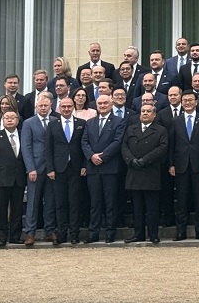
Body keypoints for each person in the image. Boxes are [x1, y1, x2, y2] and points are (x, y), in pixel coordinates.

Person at [81, 94, 126, 243]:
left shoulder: (119, 121)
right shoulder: (90, 122)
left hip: (110, 167)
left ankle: (110, 233)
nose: (102, 106)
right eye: (100, 103)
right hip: (93, 168)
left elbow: (117, 142)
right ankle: (93, 233)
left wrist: (103, 156)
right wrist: (91, 156)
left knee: (110, 202)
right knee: (95, 203)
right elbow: (84, 142)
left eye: (105, 103)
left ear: (111, 104)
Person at [122, 103, 169, 243]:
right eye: (143, 111)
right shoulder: (131, 129)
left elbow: (162, 148)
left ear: (154, 115)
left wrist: (144, 160)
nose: (145, 113)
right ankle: (138, 234)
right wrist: (131, 160)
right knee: (137, 207)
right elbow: (124, 146)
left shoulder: (161, 130)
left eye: (148, 111)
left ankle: (153, 234)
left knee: (152, 207)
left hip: (150, 172)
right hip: (134, 172)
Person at [169, 89, 199, 241]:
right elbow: (172, 145)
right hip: (181, 166)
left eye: (190, 100)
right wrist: (171, 164)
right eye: (185, 100)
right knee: (182, 201)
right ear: (181, 103)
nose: (187, 103)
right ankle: (181, 231)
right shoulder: (175, 121)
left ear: (196, 102)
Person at [45, 96, 87, 245]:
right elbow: (48, 148)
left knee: (74, 202)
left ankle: (74, 234)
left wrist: (84, 165)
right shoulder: (52, 125)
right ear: (59, 108)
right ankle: (62, 234)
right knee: (60, 202)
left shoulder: (81, 123)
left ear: (73, 107)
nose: (66, 109)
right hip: (58, 168)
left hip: (76, 168)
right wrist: (50, 168)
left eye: (69, 106)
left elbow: (84, 146)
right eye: (63, 107)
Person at [0, 109, 27, 247]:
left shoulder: (24, 134)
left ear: (17, 120)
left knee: (17, 209)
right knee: (0, 209)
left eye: (12, 117)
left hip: (19, 178)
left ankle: (15, 236)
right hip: (1, 178)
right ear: (2, 120)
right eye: (6, 117)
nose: (9, 120)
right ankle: (2, 236)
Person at [20, 91, 57, 246]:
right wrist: (30, 168)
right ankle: (30, 232)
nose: (43, 108)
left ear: (50, 106)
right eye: (40, 105)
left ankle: (49, 231)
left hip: (51, 168)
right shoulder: (29, 123)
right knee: (33, 202)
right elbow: (26, 147)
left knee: (50, 201)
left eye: (45, 105)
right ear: (36, 106)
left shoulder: (55, 121)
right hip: (35, 168)